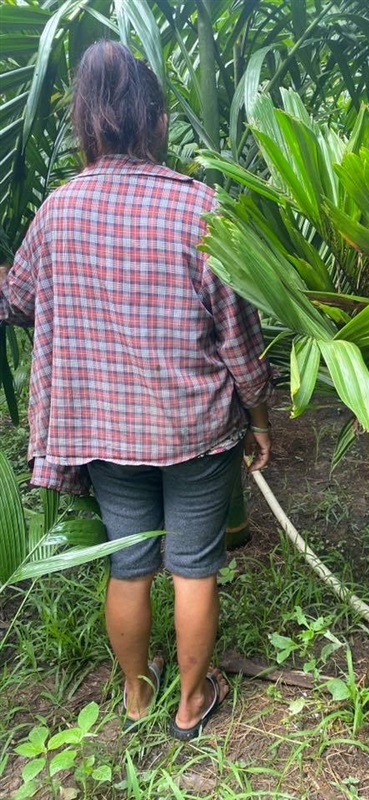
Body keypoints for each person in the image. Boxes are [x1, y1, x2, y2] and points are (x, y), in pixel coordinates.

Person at [0, 40, 272, 740]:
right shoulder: (198, 207)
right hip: (194, 428)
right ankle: (191, 704)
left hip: (104, 431)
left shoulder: (58, 210)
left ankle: (135, 696)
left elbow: (19, 298)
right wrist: (260, 412)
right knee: (193, 567)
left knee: (129, 564)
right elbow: (238, 333)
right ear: (155, 119)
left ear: (85, 122)